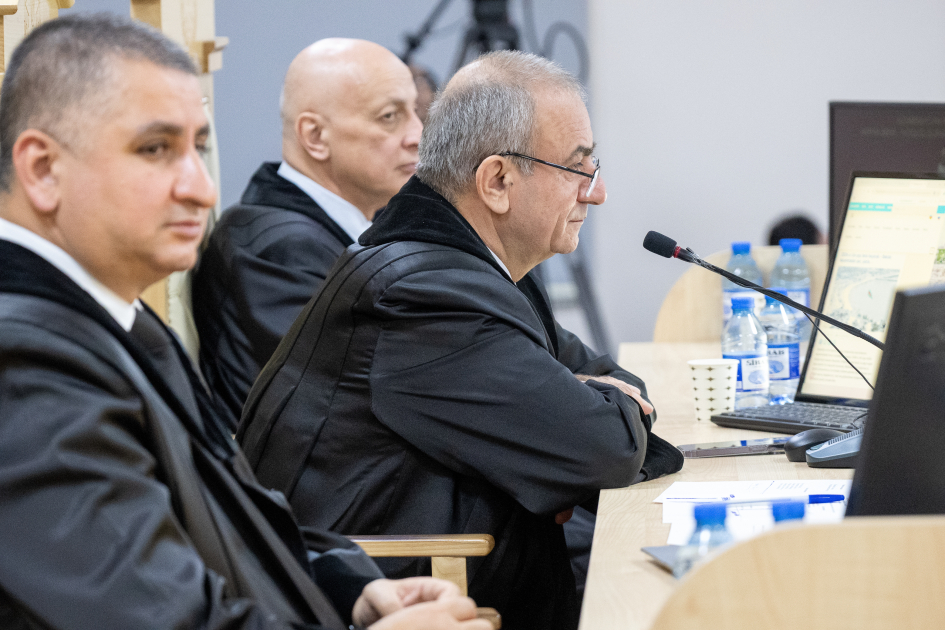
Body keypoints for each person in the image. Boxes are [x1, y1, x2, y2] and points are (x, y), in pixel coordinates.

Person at [0, 14, 490, 630]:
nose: (202, 190)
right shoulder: (22, 360)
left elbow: (223, 525)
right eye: (155, 149)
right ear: (42, 169)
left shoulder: (117, 320)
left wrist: (352, 590)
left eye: (198, 148)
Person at [238, 50, 684, 630]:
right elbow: (603, 448)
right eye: (578, 169)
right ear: (497, 181)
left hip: (483, 574)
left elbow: (610, 379)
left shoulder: (476, 266)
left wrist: (588, 397)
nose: (596, 193)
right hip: (418, 597)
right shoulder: (422, 296)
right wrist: (589, 403)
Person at [192, 38, 422, 430]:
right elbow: (375, 402)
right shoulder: (279, 249)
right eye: (389, 116)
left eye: (415, 111)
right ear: (315, 136)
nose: (417, 134)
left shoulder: (357, 228)